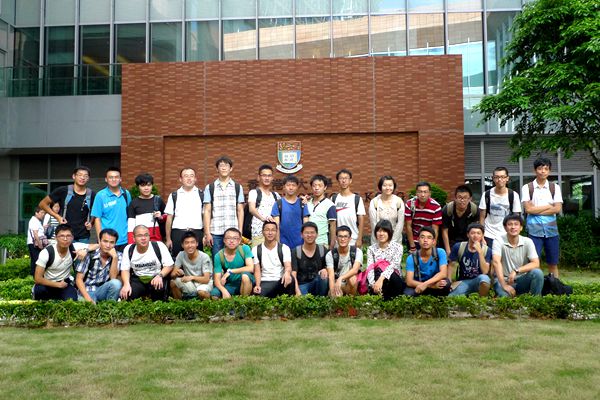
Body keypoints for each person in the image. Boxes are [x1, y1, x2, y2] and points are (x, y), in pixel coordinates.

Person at [521, 157, 563, 277]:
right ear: (535, 170)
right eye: (540, 168)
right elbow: (528, 209)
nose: (543, 171)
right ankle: (537, 288)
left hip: (552, 231)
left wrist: (535, 210)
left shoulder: (555, 187)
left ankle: (554, 286)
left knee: (553, 263)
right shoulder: (527, 187)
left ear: (549, 171)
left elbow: (557, 209)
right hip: (534, 232)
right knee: (534, 263)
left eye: (546, 168)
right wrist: (549, 206)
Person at [32, 224, 91, 301]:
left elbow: (97, 246)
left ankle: (57, 296)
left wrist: (85, 250)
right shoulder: (46, 253)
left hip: (64, 283)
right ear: (56, 238)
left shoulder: (74, 247)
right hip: (47, 283)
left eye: (68, 236)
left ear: (72, 238)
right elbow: (37, 278)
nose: (65, 239)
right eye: (62, 236)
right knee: (40, 292)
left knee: (72, 299)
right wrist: (57, 285)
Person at [38, 165, 95, 244]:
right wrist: (57, 217)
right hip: (65, 235)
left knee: (82, 253)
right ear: (74, 176)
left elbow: (97, 212)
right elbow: (42, 204)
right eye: (80, 175)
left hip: (83, 237)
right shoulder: (63, 191)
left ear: (88, 178)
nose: (82, 178)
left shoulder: (91, 194)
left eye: (85, 176)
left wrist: (91, 223)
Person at [492, 214, 544, 297]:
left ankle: (535, 301)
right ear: (505, 228)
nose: (513, 227)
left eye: (516, 224)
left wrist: (516, 271)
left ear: (521, 227)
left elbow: (536, 263)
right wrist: (504, 285)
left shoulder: (528, 241)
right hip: (503, 280)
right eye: (510, 224)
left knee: (537, 273)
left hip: (521, 279)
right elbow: (496, 262)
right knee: (504, 298)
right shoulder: (498, 240)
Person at [203, 156, 245, 257]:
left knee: (234, 260)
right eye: (221, 165)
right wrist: (207, 233)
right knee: (217, 260)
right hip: (215, 232)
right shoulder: (210, 187)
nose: (224, 168)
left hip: (233, 232)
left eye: (226, 165)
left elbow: (240, 211)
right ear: (217, 169)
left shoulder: (237, 187)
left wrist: (240, 231)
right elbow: (207, 211)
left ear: (231, 168)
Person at [120, 225, 174, 301]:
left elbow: (169, 265)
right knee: (129, 293)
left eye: (146, 235)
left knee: (159, 289)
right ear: (134, 238)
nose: (143, 238)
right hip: (138, 278)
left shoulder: (159, 246)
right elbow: (125, 269)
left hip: (156, 276)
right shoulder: (129, 249)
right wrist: (126, 284)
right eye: (140, 236)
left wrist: (160, 276)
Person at [164, 167, 204, 257]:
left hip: (197, 233)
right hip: (178, 233)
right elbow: (169, 218)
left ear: (195, 179)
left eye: (191, 176)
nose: (189, 178)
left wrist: (205, 235)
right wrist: (168, 239)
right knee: (177, 261)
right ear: (180, 179)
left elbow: (205, 216)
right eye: (186, 176)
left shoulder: (202, 194)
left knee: (196, 261)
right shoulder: (174, 195)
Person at [75, 228, 122, 303]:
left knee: (116, 283)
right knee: (85, 305)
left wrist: (115, 258)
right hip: (87, 291)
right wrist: (88, 299)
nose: (108, 245)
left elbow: (113, 278)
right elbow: (78, 279)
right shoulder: (89, 254)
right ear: (99, 241)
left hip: (103, 290)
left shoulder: (118, 256)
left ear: (115, 244)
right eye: (105, 241)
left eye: (112, 242)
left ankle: (110, 307)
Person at [479, 166, 522, 248]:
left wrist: (515, 235)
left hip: (507, 234)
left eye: (502, 177)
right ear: (493, 178)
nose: (499, 180)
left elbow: (516, 217)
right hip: (489, 234)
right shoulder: (486, 194)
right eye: (497, 177)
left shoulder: (513, 195)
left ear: (507, 178)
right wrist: (482, 236)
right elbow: (482, 217)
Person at [91, 166, 131, 252]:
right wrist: (100, 240)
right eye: (111, 177)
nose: (114, 179)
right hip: (107, 241)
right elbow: (97, 219)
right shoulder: (100, 195)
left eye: (116, 177)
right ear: (106, 179)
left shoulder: (126, 193)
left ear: (120, 179)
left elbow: (130, 215)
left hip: (124, 239)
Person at [252, 221, 295, 298]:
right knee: (259, 295)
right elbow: (257, 270)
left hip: (280, 281)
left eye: (273, 230)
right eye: (267, 230)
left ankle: (288, 304)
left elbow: (288, 266)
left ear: (276, 232)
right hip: (265, 281)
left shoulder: (284, 248)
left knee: (291, 279)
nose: (270, 233)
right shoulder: (256, 249)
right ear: (263, 232)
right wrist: (257, 285)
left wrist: (287, 273)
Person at [447, 223, 492, 297]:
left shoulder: (487, 250)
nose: (475, 236)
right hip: (464, 281)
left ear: (482, 236)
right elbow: (451, 265)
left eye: (478, 233)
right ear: (468, 235)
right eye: (472, 233)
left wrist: (480, 252)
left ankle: (482, 300)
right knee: (451, 297)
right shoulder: (459, 246)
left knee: (485, 279)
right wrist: (449, 282)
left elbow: (485, 271)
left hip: (479, 280)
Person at [404, 226, 451, 297]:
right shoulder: (411, 257)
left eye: (429, 237)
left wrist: (426, 284)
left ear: (433, 241)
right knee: (407, 294)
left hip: (434, 282)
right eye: (422, 237)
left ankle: (440, 300)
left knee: (445, 283)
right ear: (418, 240)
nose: (425, 240)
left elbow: (443, 273)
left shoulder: (440, 252)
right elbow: (409, 281)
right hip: (418, 284)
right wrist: (431, 286)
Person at [210, 228, 255, 299]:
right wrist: (224, 291)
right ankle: (227, 305)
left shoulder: (244, 249)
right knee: (214, 294)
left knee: (245, 276)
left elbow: (251, 268)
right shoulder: (219, 255)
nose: (231, 241)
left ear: (239, 240)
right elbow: (217, 279)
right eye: (228, 238)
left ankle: (244, 302)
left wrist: (230, 271)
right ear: (224, 240)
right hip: (231, 283)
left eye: (235, 238)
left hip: (246, 281)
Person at [366, 219, 405, 300]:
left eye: (384, 231)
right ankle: (377, 294)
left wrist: (381, 279)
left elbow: (394, 265)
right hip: (377, 282)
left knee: (391, 273)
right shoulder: (371, 249)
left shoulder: (398, 247)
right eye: (379, 231)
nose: (381, 234)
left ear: (389, 233)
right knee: (377, 271)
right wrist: (373, 284)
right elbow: (370, 268)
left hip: (394, 281)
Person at [170, 231, 213, 300]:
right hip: (190, 282)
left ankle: (208, 303)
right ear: (182, 245)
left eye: (192, 242)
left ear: (197, 244)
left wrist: (192, 277)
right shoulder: (181, 254)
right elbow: (172, 274)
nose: (190, 245)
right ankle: (179, 303)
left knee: (201, 293)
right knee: (173, 283)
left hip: (204, 284)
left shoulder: (204, 257)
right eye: (186, 243)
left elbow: (206, 279)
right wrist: (177, 273)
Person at [271, 175, 310, 250]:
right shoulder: (278, 204)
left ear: (297, 187)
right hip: (283, 245)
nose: (291, 187)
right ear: (284, 187)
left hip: (301, 245)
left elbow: (306, 226)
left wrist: (306, 244)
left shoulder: (302, 203)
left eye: (293, 185)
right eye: (288, 185)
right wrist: (278, 246)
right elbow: (276, 226)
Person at [127, 173, 166, 244]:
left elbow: (167, 218)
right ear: (138, 187)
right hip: (140, 240)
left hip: (156, 240)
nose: (146, 188)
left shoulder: (158, 200)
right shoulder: (133, 203)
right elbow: (131, 226)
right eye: (143, 185)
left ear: (152, 185)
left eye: (149, 185)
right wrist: (131, 245)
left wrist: (161, 217)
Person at [441, 185, 480, 255]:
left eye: (465, 198)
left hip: (467, 241)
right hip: (451, 240)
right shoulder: (447, 209)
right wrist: (448, 250)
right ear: (455, 198)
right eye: (460, 197)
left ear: (470, 199)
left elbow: (475, 230)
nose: (462, 200)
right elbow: (444, 231)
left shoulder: (474, 210)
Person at [247, 164, 280, 247]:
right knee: (258, 254)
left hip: (273, 233)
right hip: (258, 233)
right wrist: (263, 219)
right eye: (264, 175)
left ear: (272, 178)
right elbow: (251, 209)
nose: (267, 178)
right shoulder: (254, 192)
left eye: (269, 176)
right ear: (259, 177)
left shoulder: (276, 195)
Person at [331, 169, 366, 247]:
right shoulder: (333, 198)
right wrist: (333, 239)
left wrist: (359, 239)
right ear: (338, 181)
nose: (343, 181)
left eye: (346, 178)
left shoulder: (357, 199)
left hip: (353, 239)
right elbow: (332, 222)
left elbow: (361, 220)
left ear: (350, 181)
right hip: (338, 240)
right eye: (341, 178)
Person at [404, 181, 442, 253]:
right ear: (416, 193)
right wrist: (412, 246)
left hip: (428, 239)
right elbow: (408, 226)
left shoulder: (436, 207)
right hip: (414, 238)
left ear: (429, 193)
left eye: (425, 192)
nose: (422, 195)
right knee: (414, 259)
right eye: (420, 192)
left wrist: (433, 247)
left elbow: (435, 229)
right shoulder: (410, 204)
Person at [291, 222, 328, 296]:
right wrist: (297, 291)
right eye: (306, 233)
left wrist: (325, 269)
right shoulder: (296, 251)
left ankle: (321, 300)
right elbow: (293, 273)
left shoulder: (322, 250)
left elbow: (330, 268)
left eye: (312, 232)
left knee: (324, 279)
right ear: (301, 235)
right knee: (304, 301)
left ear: (317, 234)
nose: (309, 235)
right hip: (302, 284)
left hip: (318, 282)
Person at [326, 225, 362, 297]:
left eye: (345, 236)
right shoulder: (330, 254)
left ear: (350, 238)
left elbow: (355, 270)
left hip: (350, 284)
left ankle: (351, 300)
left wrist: (341, 278)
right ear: (336, 238)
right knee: (336, 296)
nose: (343, 239)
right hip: (337, 283)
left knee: (352, 279)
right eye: (340, 236)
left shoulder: (357, 251)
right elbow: (331, 276)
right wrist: (333, 290)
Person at [369, 175, 405, 245]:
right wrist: (381, 239)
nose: (388, 188)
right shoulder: (374, 202)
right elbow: (374, 224)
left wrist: (393, 241)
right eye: (384, 185)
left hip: (395, 240)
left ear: (394, 186)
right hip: (378, 240)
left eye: (390, 185)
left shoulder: (398, 201)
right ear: (380, 187)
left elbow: (400, 223)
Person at [308, 174, 337, 249]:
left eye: (320, 186)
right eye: (314, 185)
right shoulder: (307, 203)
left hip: (322, 243)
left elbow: (333, 226)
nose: (316, 188)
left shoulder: (330, 205)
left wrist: (332, 245)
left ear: (325, 187)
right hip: (307, 243)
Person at [27, 207, 47, 276]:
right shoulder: (34, 221)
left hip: (33, 243)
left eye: (44, 213)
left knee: (34, 260)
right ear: (36, 213)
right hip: (35, 244)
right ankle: (38, 276)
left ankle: (34, 276)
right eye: (42, 212)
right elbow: (35, 233)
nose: (43, 214)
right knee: (38, 261)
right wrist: (40, 244)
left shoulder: (36, 221)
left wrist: (43, 228)